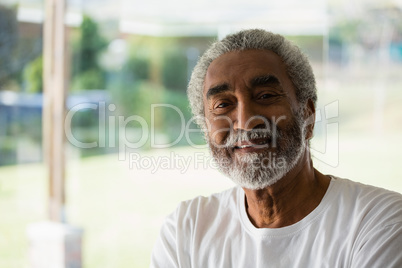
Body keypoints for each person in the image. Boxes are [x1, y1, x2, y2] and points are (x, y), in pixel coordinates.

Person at [150, 29, 402, 267]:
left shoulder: (380, 221)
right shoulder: (186, 228)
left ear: (308, 116)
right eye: (223, 104)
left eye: (266, 96)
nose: (246, 120)